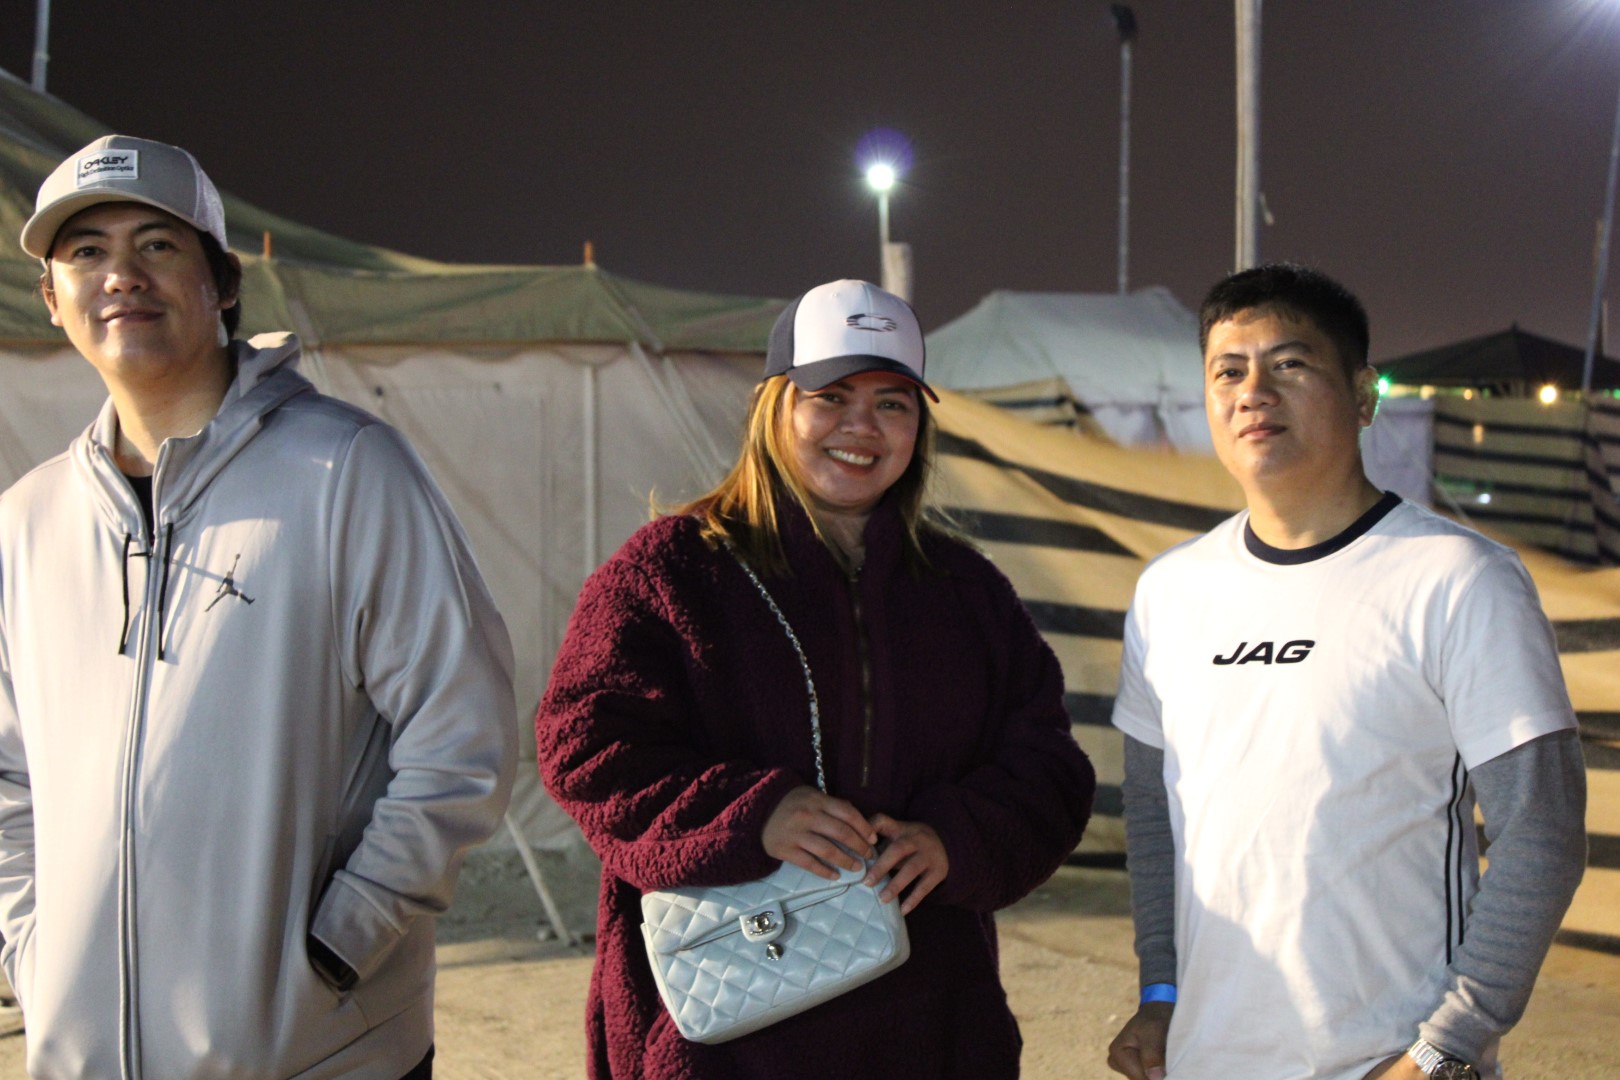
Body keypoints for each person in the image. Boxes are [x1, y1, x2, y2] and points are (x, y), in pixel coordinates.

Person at [0, 135, 518, 1079]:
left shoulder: (345, 470)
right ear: (50, 296)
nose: (121, 275)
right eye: (86, 252)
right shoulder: (28, 521)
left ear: (224, 282)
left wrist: (346, 939)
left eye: (158, 245)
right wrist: (32, 953)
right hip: (85, 1057)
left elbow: (462, 730)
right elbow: (8, 775)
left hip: (316, 1052)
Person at [536, 278, 1095, 1078]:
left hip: (930, 1032)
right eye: (830, 397)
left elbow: (1049, 767)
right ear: (776, 407)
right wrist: (752, 813)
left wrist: (956, 837)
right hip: (723, 1039)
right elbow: (584, 748)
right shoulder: (670, 571)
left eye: (892, 403)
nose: (861, 427)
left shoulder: (967, 593)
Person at [1105, 263, 1588, 1080]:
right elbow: (1155, 820)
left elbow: (1543, 829)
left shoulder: (1459, 580)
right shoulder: (1168, 592)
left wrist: (1444, 1050)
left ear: (1364, 396)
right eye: (1228, 371)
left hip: (1386, 1063)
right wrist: (1161, 993)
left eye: (1289, 363)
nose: (1253, 392)